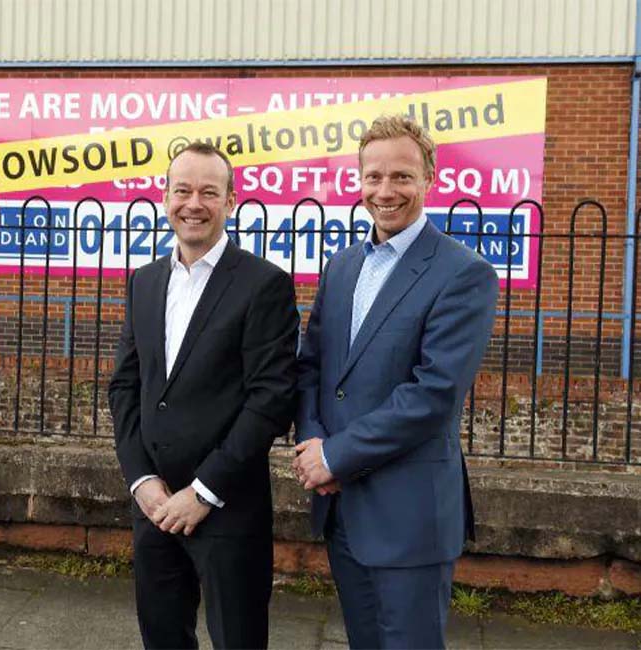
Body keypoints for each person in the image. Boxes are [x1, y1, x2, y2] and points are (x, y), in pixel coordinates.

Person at [293, 114, 498, 649]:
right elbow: (312, 367)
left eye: (402, 177)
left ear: (430, 179)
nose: (386, 191)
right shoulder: (341, 267)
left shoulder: (462, 273)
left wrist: (335, 455)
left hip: (409, 516)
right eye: (374, 177)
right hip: (342, 509)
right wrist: (316, 445)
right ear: (359, 182)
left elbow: (433, 395)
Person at [108, 142, 299, 649]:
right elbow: (125, 387)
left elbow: (270, 398)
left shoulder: (264, 285)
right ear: (164, 197)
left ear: (231, 201)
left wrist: (204, 491)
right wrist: (141, 481)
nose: (194, 203)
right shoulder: (143, 282)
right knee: (162, 637)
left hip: (227, 507)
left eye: (209, 192)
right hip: (154, 506)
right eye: (183, 190)